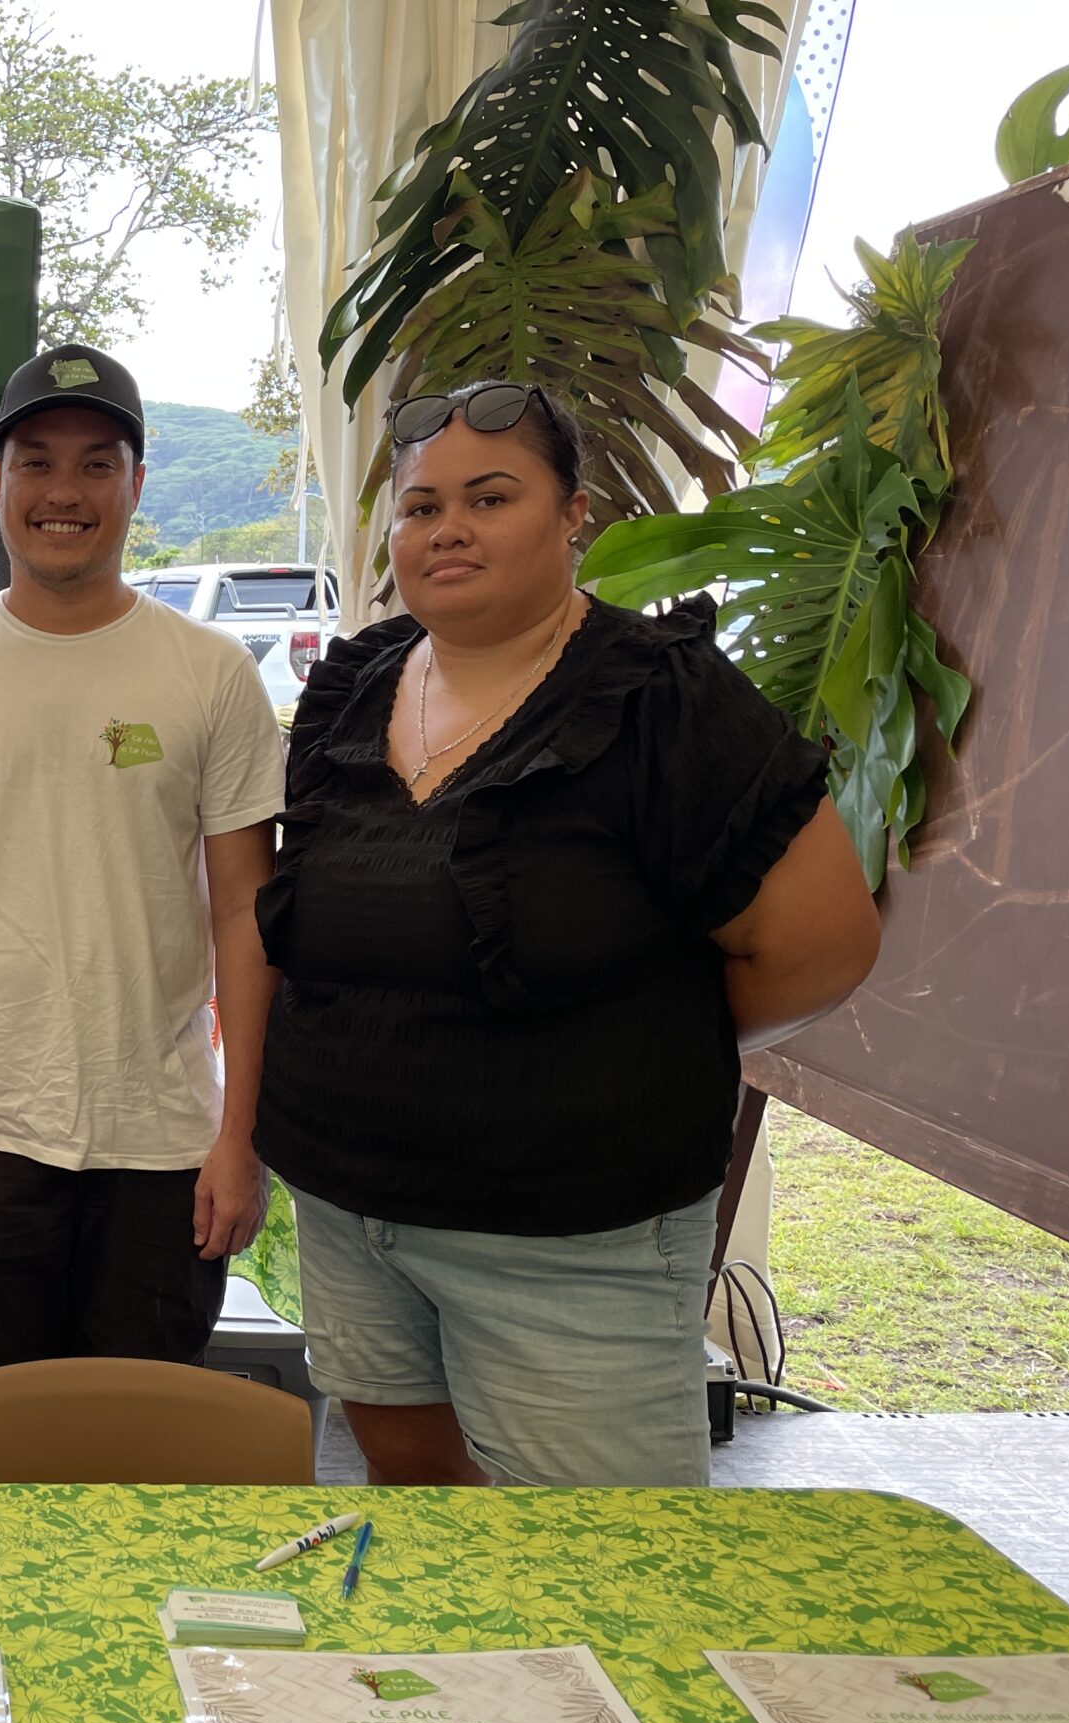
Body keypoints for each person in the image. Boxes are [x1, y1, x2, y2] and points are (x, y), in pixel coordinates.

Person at [252, 380, 883, 1489]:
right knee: (422, 1513)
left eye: (490, 498)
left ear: (571, 513)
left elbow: (820, 945)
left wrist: (628, 1032)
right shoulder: (352, 688)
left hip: (572, 1233)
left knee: (607, 1572)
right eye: (419, 507)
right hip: (351, 1208)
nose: (448, 528)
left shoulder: (660, 699)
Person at [0, 342, 285, 1381]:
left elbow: (242, 914)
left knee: (140, 1452)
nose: (63, 492)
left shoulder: (210, 673)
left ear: (137, 481)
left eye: (96, 463)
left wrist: (239, 1136)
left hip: (164, 1142)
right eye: (35, 461)